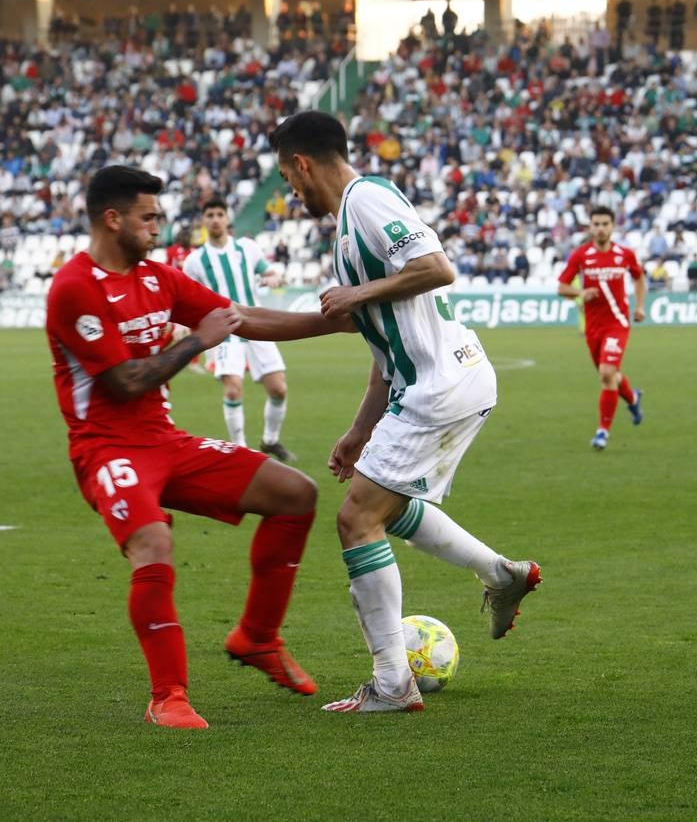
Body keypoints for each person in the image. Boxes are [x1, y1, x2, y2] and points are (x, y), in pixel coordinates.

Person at [44, 166, 343, 730]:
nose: (159, 227)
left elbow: (238, 317)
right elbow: (126, 382)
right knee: (153, 541)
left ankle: (256, 636)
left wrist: (332, 324)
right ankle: (168, 697)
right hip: (106, 450)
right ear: (113, 219)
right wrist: (201, 342)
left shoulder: (158, 278)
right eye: (149, 217)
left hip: (165, 441)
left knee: (294, 493)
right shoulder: (74, 288)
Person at [265, 110, 542, 713]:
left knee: (356, 519)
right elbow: (385, 344)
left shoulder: (366, 199)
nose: (292, 191)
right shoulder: (348, 226)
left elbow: (437, 267)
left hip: (440, 385)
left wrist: (356, 293)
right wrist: (360, 428)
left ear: (302, 163)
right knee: (386, 508)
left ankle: (392, 683)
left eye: (289, 178)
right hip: (443, 380)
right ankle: (501, 575)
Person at [182, 198, 296, 462]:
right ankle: (241, 451)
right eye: (209, 214)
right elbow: (186, 298)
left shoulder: (247, 248)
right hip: (223, 331)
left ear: (227, 218)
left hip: (257, 325)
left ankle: (270, 440)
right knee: (233, 389)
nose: (215, 219)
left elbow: (268, 272)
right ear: (203, 220)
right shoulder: (195, 261)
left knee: (278, 389)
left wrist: (273, 276)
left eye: (219, 214)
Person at [556, 206, 646, 451]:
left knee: (607, 374)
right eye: (596, 224)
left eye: (605, 223)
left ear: (613, 226)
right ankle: (634, 398)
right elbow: (562, 287)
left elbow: (639, 277)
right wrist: (581, 292)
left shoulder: (625, 254)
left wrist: (639, 307)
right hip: (593, 328)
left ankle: (602, 432)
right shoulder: (581, 255)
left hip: (617, 324)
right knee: (611, 375)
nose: (600, 228)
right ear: (590, 226)